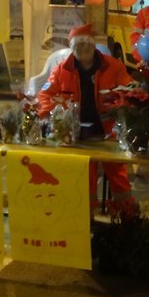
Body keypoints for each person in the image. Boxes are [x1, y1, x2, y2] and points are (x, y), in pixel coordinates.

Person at [38, 23, 135, 212]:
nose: (83, 49)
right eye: (78, 45)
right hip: (77, 135)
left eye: (86, 44)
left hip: (109, 133)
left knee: (118, 174)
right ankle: (86, 216)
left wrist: (123, 108)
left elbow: (130, 91)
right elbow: (45, 94)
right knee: (84, 176)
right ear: (72, 48)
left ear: (93, 45)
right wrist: (47, 114)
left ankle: (127, 213)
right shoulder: (61, 70)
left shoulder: (114, 66)